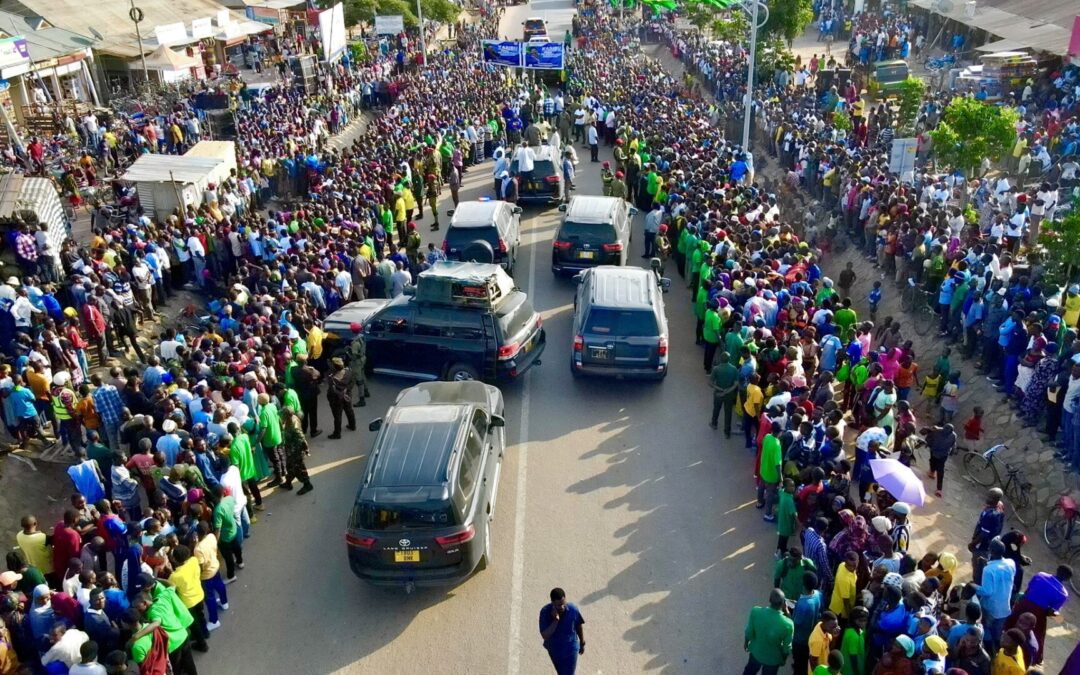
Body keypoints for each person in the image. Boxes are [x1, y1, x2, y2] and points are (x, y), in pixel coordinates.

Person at [742, 588, 793, 675]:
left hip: (756, 652)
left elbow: (749, 632)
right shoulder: (788, 624)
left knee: (749, 671)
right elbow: (786, 648)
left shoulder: (756, 611)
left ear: (769, 600)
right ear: (783, 604)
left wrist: (746, 643)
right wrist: (783, 660)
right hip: (773, 660)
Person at [538, 587, 584, 675]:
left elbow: (579, 625)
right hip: (554, 651)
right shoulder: (545, 612)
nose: (562, 607)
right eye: (559, 605)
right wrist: (556, 620)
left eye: (564, 603)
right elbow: (545, 635)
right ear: (552, 602)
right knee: (561, 672)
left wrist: (582, 642)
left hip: (570, 650)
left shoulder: (573, 609)